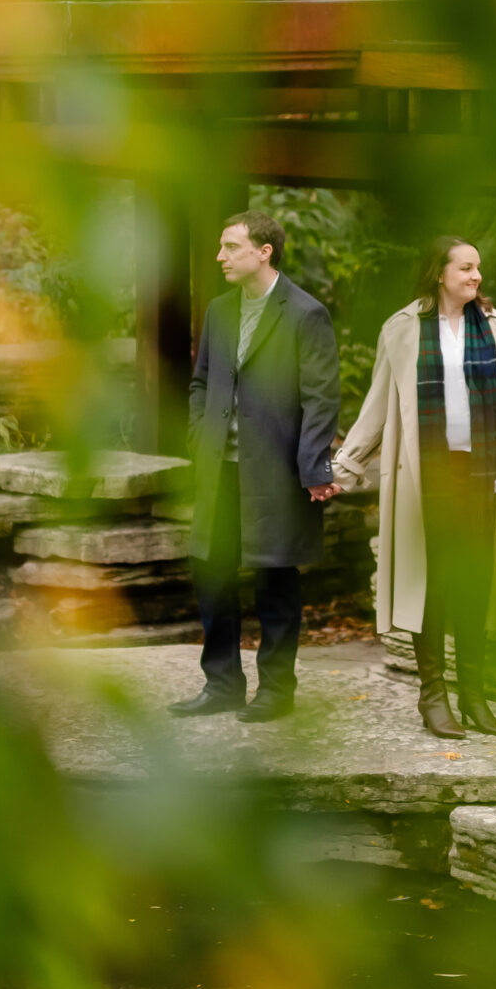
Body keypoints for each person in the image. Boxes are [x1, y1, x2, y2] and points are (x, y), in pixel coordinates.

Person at [331, 237, 496, 739]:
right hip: (429, 479)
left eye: (478, 269)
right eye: (466, 268)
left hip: (483, 477)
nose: (476, 277)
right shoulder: (402, 331)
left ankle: (474, 696)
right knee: (433, 585)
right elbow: (377, 406)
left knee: (475, 586)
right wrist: (344, 467)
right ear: (439, 273)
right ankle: (433, 697)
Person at [171, 209, 342, 722]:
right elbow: (201, 383)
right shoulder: (220, 311)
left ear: (264, 252)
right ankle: (221, 684)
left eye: (231, 247)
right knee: (213, 575)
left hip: (276, 473)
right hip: (218, 470)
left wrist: (314, 468)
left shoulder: (306, 314)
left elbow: (321, 400)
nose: (220, 256)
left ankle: (275, 693)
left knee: (275, 582)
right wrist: (200, 436)